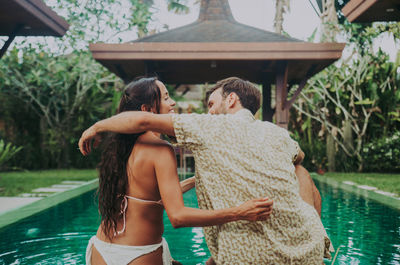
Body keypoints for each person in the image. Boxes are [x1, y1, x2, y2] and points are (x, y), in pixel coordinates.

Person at [80, 77, 332, 264]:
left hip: (100, 248)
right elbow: (177, 216)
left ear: (231, 99)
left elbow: (145, 198)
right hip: (142, 255)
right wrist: (239, 212)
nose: (174, 102)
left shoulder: (121, 149)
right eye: (166, 97)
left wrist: (195, 180)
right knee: (303, 173)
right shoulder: (164, 148)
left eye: (211, 103)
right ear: (146, 109)